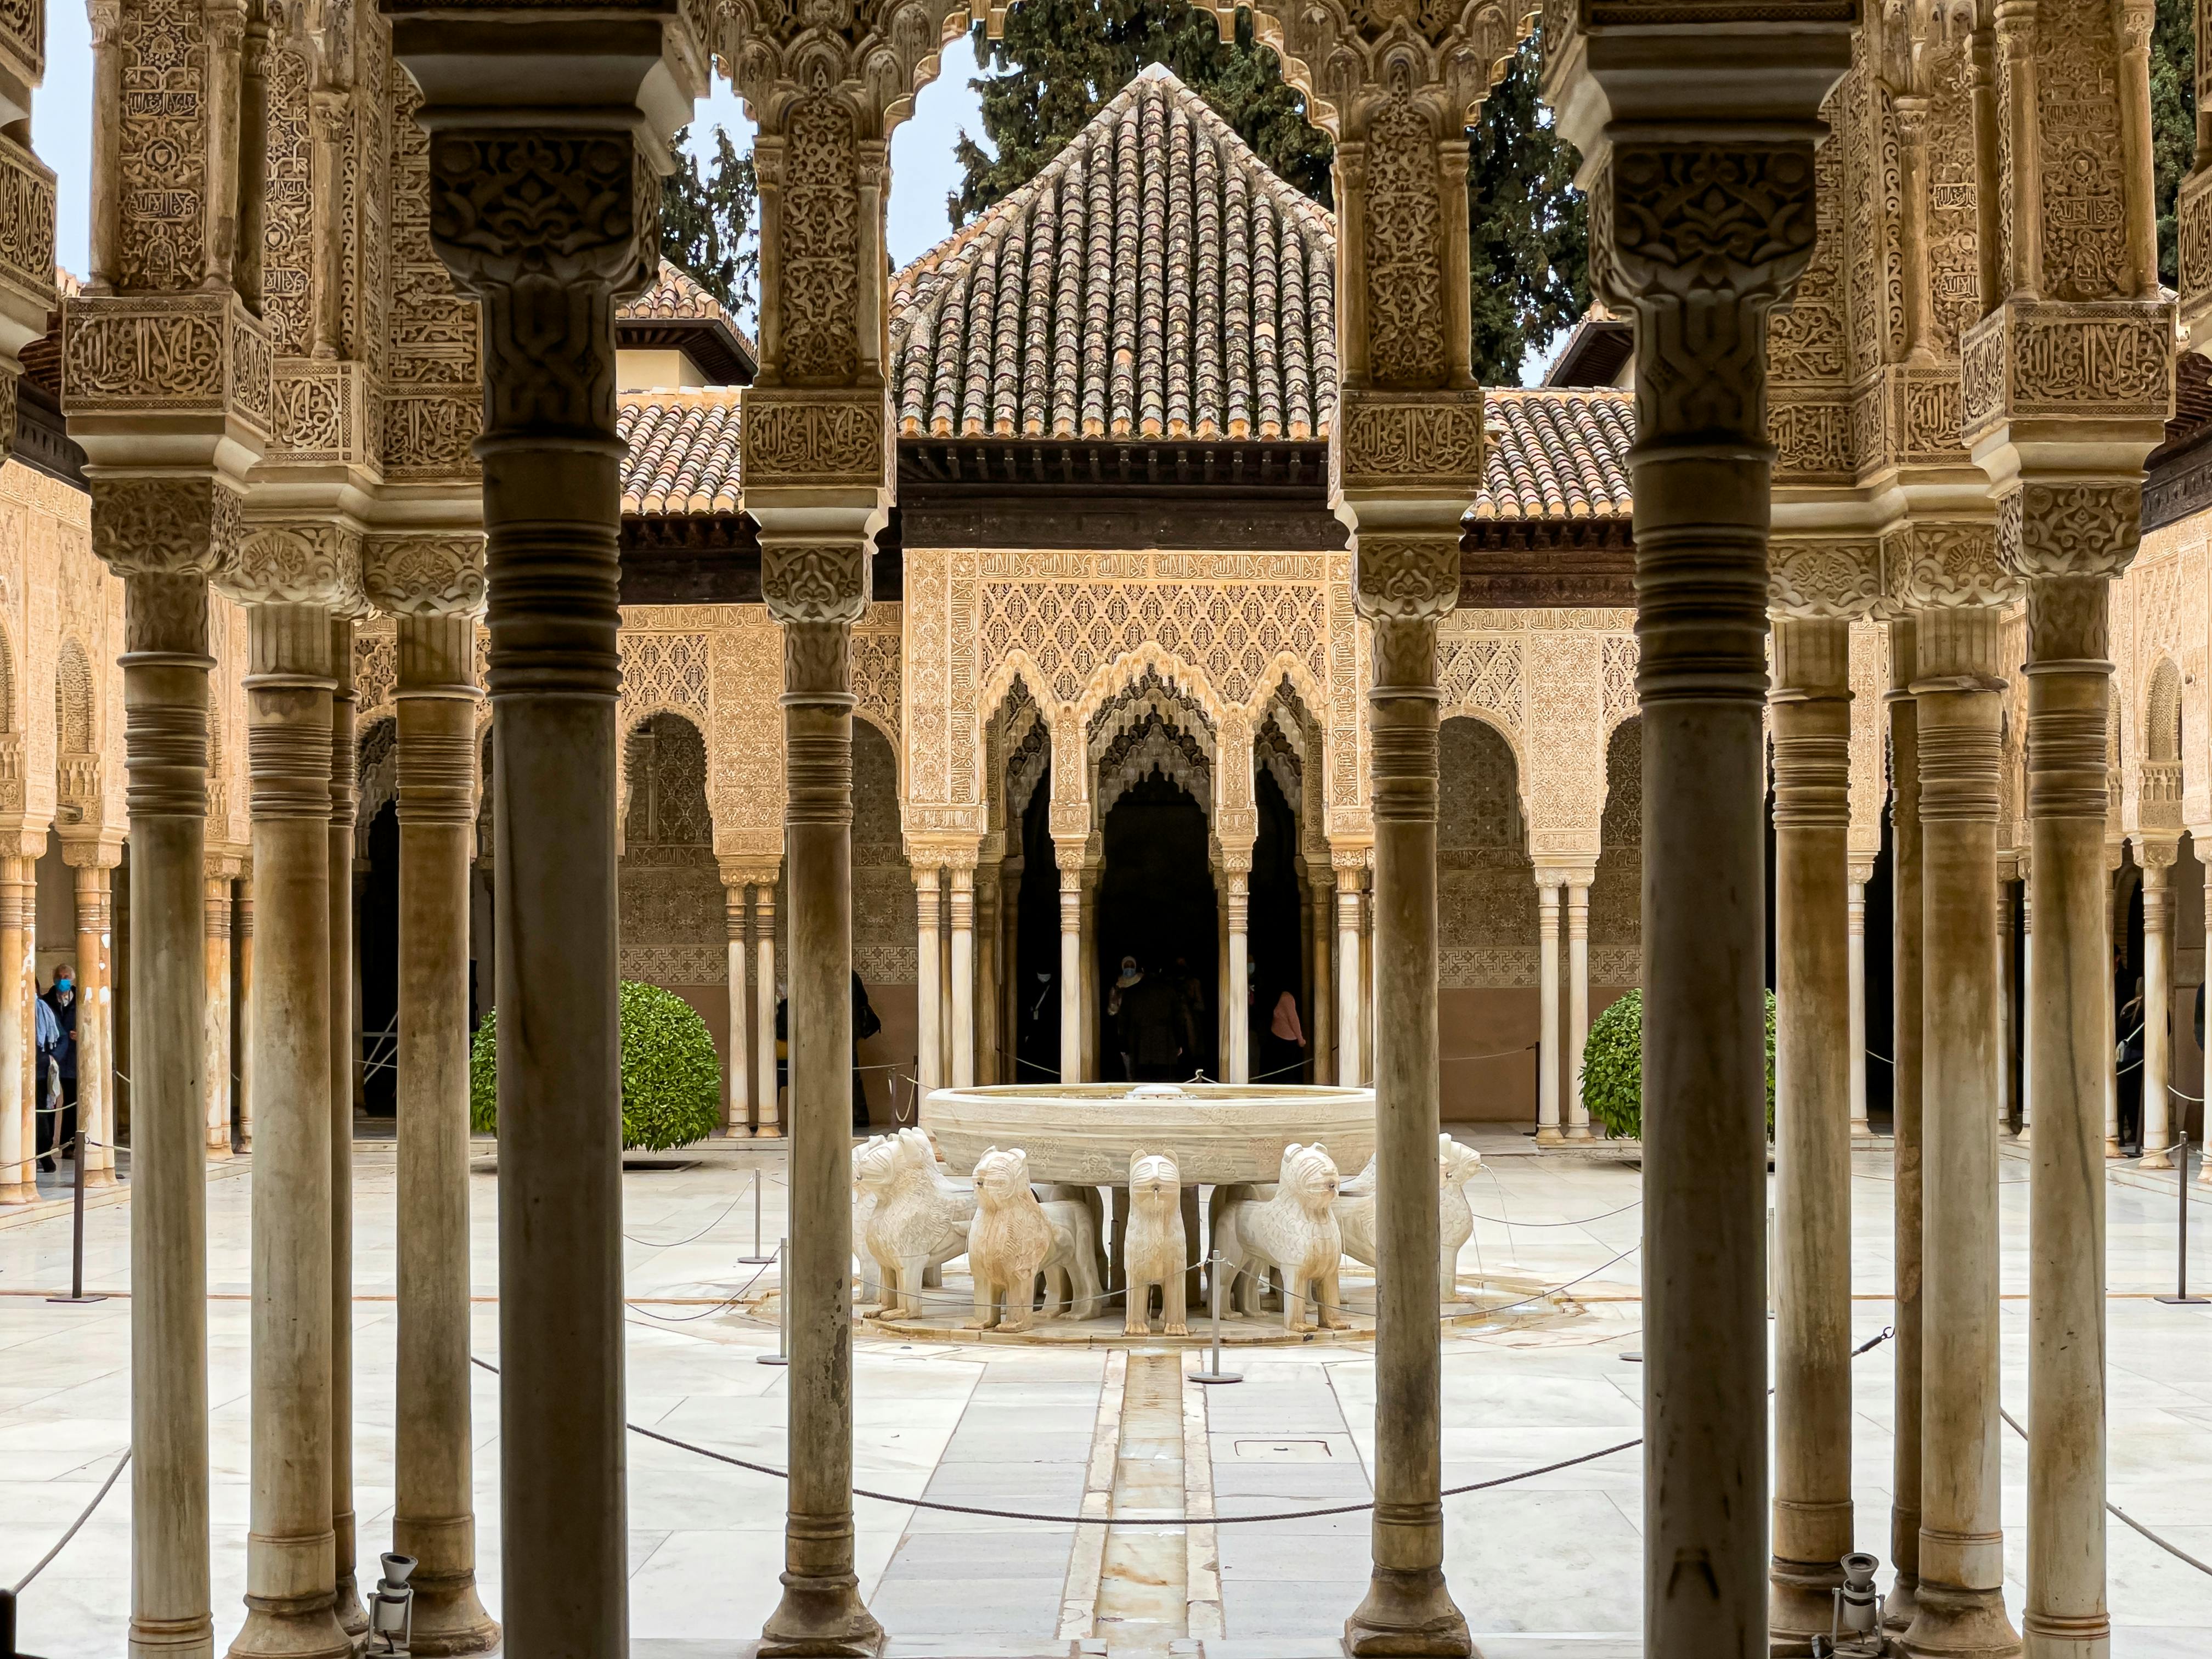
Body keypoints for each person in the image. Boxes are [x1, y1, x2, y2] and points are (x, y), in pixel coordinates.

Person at [1118, 957, 1196, 1081]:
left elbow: (1123, 1022)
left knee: (1141, 1089)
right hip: (1165, 1049)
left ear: (1142, 970)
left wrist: (1124, 1045)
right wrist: (1179, 1043)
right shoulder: (1170, 992)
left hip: (1139, 1048)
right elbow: (1179, 1020)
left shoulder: (1131, 993)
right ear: (1160, 971)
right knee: (1165, 1088)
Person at [33, 983, 63, 1172]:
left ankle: (44, 1156)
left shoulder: (42, 1008)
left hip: (39, 1068)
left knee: (41, 1113)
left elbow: (60, 1037)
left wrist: (53, 1057)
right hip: (20, 1067)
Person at [2118, 975, 2146, 1155]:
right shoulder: (2153, 1008)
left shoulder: (2128, 1008)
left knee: (2123, 1097)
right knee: (2137, 1098)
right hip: (2141, 1059)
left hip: (2124, 1060)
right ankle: (2138, 1133)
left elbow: (2119, 1031)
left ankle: (2119, 1133)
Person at [1263, 985, 1307, 1082]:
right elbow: (1293, 1019)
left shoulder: (1282, 997)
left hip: (1278, 1037)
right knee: (1286, 1072)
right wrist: (1301, 1040)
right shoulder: (1287, 998)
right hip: (1286, 1040)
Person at [1108, 957, 1141, 1077]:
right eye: (1126, 965)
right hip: (1124, 1024)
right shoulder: (1118, 985)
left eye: (1131, 965)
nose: (1129, 968)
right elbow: (1112, 1009)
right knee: (1126, 1053)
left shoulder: (1141, 981)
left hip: (1140, 1022)